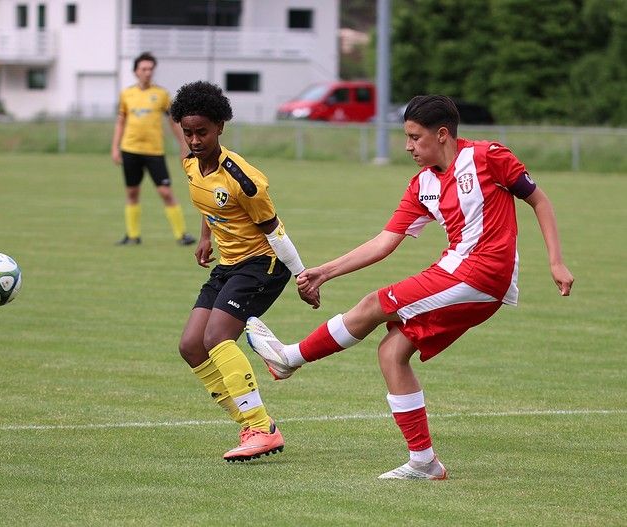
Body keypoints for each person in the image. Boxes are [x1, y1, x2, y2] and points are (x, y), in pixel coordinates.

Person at [246, 95, 574, 479]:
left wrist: (555, 260)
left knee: (374, 303)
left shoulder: (489, 157)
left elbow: (539, 200)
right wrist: (325, 272)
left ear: (442, 134)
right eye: (407, 137)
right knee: (391, 352)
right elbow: (384, 242)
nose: (408, 146)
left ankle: (290, 358)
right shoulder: (422, 185)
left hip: (482, 273)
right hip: (461, 274)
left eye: (415, 138)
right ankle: (424, 462)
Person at [170, 81, 319, 462]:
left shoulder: (244, 180)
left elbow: (275, 230)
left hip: (264, 264)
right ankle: (254, 423)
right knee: (190, 346)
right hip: (229, 265)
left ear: (220, 126)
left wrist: (304, 276)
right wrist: (206, 237)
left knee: (218, 337)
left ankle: (260, 427)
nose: (195, 140)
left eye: (202, 131)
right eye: (188, 132)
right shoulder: (190, 164)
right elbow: (208, 205)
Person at [111, 52, 196, 246]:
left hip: (154, 152)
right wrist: (115, 148)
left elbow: (174, 122)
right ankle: (133, 236)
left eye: (150, 69)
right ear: (135, 72)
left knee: (166, 192)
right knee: (132, 192)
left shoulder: (162, 94)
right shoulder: (127, 94)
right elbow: (120, 122)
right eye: (144, 69)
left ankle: (182, 234)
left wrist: (184, 145)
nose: (148, 72)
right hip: (130, 149)